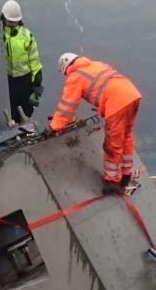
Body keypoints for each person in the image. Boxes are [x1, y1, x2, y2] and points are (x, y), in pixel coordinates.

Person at [49, 53, 143, 194]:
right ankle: (125, 174)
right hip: (131, 94)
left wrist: (54, 127)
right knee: (126, 136)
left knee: (113, 143)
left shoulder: (75, 76)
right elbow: (104, 84)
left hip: (116, 101)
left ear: (64, 66)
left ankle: (112, 182)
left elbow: (67, 106)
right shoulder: (96, 64)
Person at [0, 0, 44, 123]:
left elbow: (35, 61)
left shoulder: (27, 35)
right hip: (8, 81)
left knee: (27, 109)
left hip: (25, 80)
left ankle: (24, 131)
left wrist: (37, 85)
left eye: (15, 21)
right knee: (10, 111)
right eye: (10, 21)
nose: (13, 24)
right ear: (3, 18)